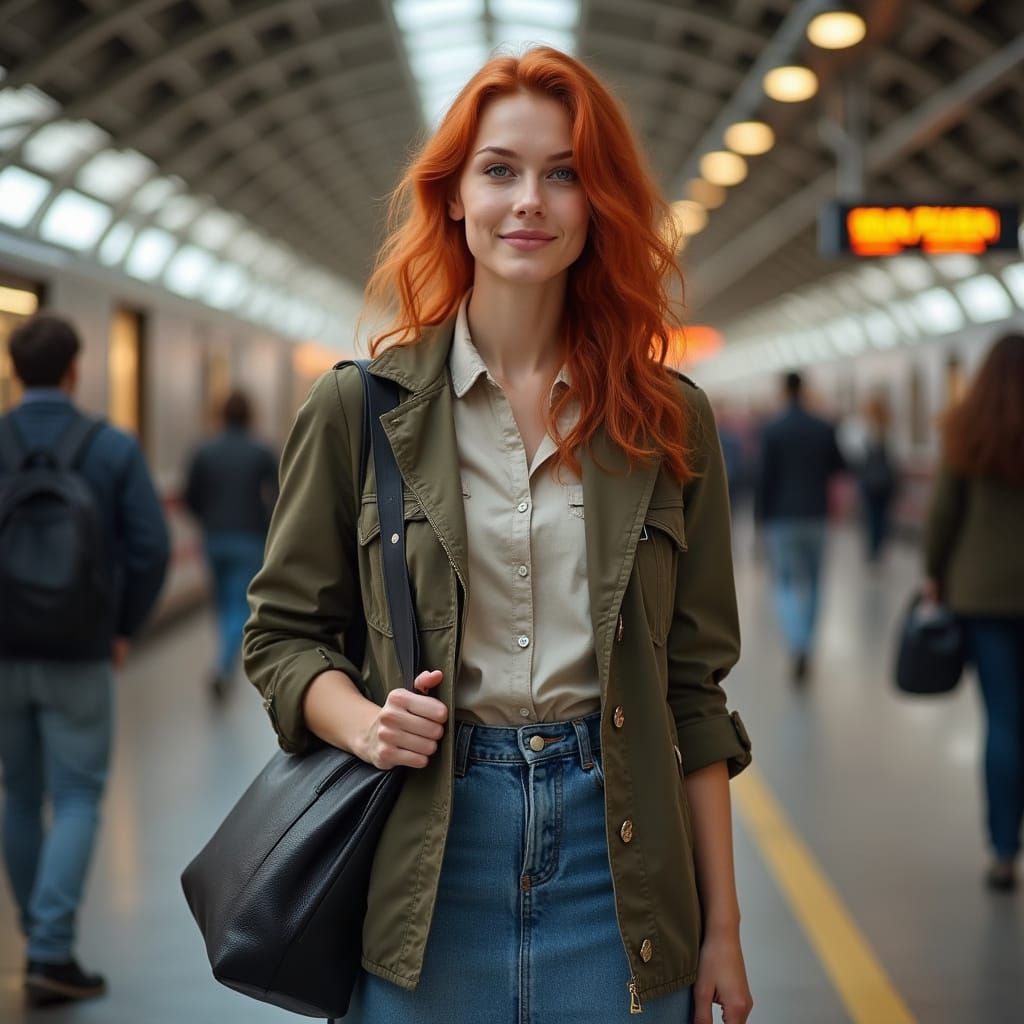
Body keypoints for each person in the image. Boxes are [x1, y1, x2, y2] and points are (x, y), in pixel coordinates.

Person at [244, 47, 753, 1024]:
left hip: (620, 866)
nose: (530, 200)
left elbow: (693, 692)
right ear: (453, 197)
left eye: (564, 173)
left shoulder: (665, 422)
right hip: (423, 864)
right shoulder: (360, 408)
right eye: (500, 169)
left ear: (599, 204)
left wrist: (721, 929)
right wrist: (362, 721)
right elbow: (278, 638)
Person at [0, 314, 169, 1004]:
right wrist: (120, 626)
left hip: (3, 650)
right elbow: (150, 547)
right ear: (75, 370)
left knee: (18, 791)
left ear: (14, 370)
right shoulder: (110, 447)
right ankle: (50, 947)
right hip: (79, 650)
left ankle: (38, 932)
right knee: (75, 795)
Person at [923, 333, 1024, 892]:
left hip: (983, 597)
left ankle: (1004, 850)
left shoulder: (967, 427)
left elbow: (942, 513)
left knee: (1004, 720)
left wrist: (934, 573)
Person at [184, 390, 277, 699]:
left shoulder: (204, 451)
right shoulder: (260, 451)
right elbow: (277, 495)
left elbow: (190, 496)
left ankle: (223, 659)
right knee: (239, 602)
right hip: (249, 537)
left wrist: (207, 519)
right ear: (249, 415)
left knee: (222, 601)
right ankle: (223, 665)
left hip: (214, 538)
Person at [755, 371, 845, 683]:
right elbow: (839, 465)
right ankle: (808, 639)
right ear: (805, 389)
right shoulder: (822, 427)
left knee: (786, 582)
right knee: (817, 581)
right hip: (816, 515)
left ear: (783, 390)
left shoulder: (772, 430)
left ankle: (797, 643)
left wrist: (759, 521)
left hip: (781, 518)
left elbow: (763, 480)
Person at [855, 395, 899, 564]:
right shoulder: (888, 430)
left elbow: (858, 457)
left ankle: (873, 549)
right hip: (886, 482)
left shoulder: (864, 430)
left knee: (871, 516)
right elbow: (895, 459)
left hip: (869, 482)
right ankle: (878, 547)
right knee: (882, 516)